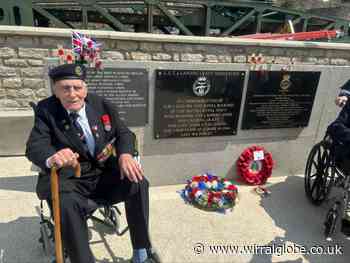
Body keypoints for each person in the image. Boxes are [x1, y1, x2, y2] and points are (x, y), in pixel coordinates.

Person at [26, 63, 160, 263]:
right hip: (69, 178)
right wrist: (52, 157)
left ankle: (141, 250)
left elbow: (124, 133)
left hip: (102, 172)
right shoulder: (47, 110)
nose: (72, 94)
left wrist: (125, 155)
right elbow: (35, 146)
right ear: (55, 90)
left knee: (138, 183)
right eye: (65, 88)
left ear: (85, 89)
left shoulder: (100, 104)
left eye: (77, 88)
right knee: (67, 204)